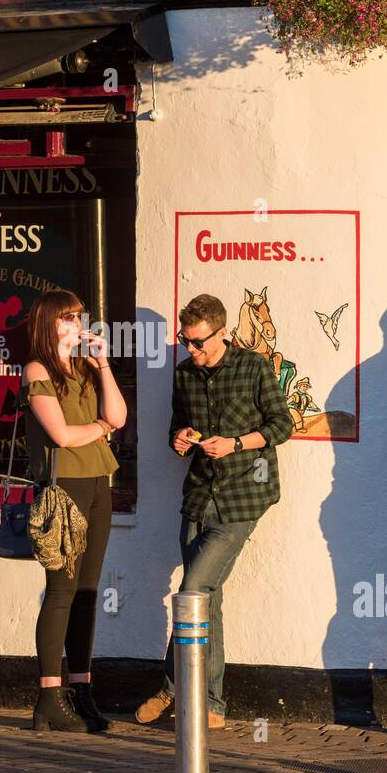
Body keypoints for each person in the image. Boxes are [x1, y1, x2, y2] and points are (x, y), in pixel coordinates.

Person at [134, 293, 293, 730]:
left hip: (243, 496)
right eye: (186, 341)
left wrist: (237, 443)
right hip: (199, 496)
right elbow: (173, 427)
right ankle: (213, 704)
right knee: (209, 601)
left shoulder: (254, 366)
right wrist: (180, 438)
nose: (192, 350)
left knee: (193, 590)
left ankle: (170, 686)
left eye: (199, 342)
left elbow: (283, 425)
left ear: (222, 333)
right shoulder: (185, 374)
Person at [21, 290, 126, 732]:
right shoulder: (37, 369)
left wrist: (102, 364)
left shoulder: (84, 367)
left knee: (87, 592)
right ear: (50, 322)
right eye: (68, 316)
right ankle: (48, 696)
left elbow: (119, 415)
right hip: (65, 487)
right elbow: (62, 434)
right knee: (61, 591)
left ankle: (81, 689)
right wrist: (100, 428)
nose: (77, 321)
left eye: (79, 315)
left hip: (100, 480)